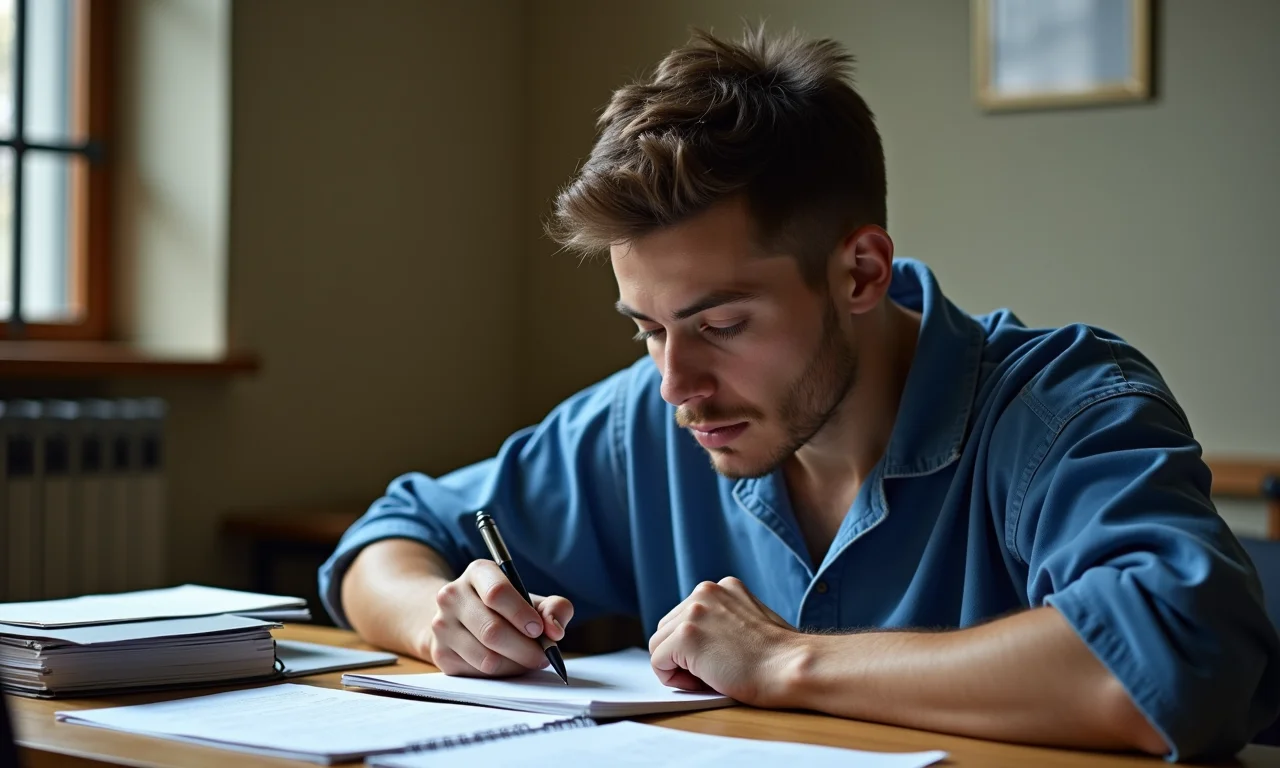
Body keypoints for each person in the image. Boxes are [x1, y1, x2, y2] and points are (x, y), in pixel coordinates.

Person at [320, 26, 1280, 761]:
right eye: (646, 327)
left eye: (722, 324)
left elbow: (1177, 656)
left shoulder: (1061, 406)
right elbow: (389, 537)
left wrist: (784, 662)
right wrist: (444, 617)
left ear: (860, 271)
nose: (676, 384)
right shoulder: (647, 419)